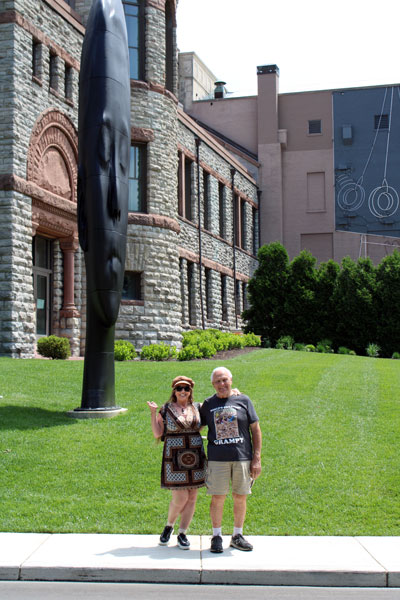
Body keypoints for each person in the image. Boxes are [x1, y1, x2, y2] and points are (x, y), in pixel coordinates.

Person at [200, 366, 262, 553]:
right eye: (218, 381)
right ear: (213, 384)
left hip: (242, 457)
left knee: (240, 497)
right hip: (217, 459)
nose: (222, 384)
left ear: (231, 380)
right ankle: (216, 536)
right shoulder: (208, 404)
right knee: (218, 497)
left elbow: (255, 429)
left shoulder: (243, 400)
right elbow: (194, 424)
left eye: (225, 380)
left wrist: (256, 457)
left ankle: (237, 535)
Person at [147, 375, 206, 550]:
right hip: (173, 457)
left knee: (192, 497)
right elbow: (158, 433)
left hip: (195, 456)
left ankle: (182, 533)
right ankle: (169, 526)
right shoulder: (165, 410)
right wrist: (152, 413)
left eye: (186, 388)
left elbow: (206, 420)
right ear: (174, 391)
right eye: (179, 388)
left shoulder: (198, 407)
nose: (183, 391)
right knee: (180, 497)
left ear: (190, 391)